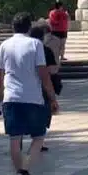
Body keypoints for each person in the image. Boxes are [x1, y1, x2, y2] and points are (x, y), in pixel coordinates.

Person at [0, 12, 59, 175]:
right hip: (32, 96)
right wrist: (52, 97)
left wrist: (1, 96)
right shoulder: (35, 44)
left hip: (11, 97)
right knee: (39, 137)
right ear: (29, 27)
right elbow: (43, 73)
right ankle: (24, 169)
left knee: (14, 138)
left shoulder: (5, 45)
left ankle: (21, 173)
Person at [29, 21, 62, 151]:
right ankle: (39, 141)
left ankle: (20, 141)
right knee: (43, 112)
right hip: (43, 85)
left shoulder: (26, 50)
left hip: (27, 85)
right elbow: (53, 69)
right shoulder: (45, 50)